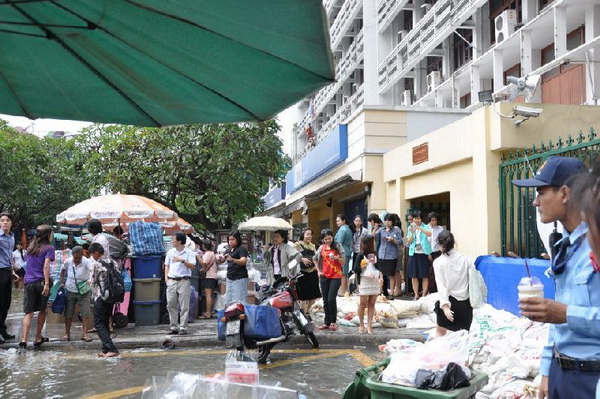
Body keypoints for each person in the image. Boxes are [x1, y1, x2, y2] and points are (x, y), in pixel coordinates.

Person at [512, 156, 599, 399]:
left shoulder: (596, 246)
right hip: (562, 374)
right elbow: (557, 317)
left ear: (564, 193)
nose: (535, 201)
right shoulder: (566, 246)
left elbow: (561, 312)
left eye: (540, 192)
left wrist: (565, 314)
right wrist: (547, 369)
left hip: (592, 379)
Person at [20, 224, 54, 349]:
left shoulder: (30, 248)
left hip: (28, 282)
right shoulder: (49, 248)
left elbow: (27, 266)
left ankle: (23, 340)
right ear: (48, 234)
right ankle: (38, 337)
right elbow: (46, 266)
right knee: (42, 310)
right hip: (40, 282)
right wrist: (46, 283)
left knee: (28, 312)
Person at [432, 231, 472, 337]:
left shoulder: (438, 262)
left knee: (440, 333)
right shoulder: (465, 259)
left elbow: (441, 286)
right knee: (464, 337)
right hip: (465, 304)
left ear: (440, 245)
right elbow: (473, 280)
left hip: (449, 303)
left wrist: (445, 307)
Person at [89, 243, 120, 358]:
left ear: (96, 252)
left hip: (100, 296)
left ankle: (112, 348)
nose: (92, 256)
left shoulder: (96, 264)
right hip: (111, 296)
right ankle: (105, 349)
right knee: (105, 321)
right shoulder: (113, 262)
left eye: (92, 254)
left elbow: (91, 280)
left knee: (98, 323)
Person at [164, 232, 197, 335]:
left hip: (184, 280)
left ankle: (183, 327)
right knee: (171, 304)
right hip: (172, 281)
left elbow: (193, 266)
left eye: (173, 239)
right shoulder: (170, 252)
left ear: (179, 241)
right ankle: (173, 326)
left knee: (184, 305)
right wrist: (166, 278)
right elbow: (166, 265)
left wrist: (182, 260)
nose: (172, 241)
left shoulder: (189, 253)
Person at [59, 246, 94, 342]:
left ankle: (84, 333)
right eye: (75, 257)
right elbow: (62, 271)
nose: (77, 259)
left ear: (82, 254)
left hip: (84, 290)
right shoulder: (68, 261)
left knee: (85, 312)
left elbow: (92, 271)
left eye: (79, 257)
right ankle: (67, 333)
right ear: (72, 255)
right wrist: (61, 282)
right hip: (70, 289)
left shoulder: (87, 261)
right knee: (68, 312)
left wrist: (90, 279)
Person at [314, 229, 345, 331]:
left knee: (331, 299)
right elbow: (315, 258)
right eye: (326, 239)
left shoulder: (338, 246)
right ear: (323, 239)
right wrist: (318, 271)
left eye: (329, 238)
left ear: (333, 237)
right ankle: (326, 323)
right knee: (325, 300)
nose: (328, 240)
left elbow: (344, 261)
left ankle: (333, 322)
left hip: (336, 276)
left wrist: (337, 258)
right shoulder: (321, 248)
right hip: (324, 276)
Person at [354, 235, 382, 334]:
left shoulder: (375, 254)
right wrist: (363, 264)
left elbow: (379, 267)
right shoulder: (360, 255)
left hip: (374, 279)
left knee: (372, 303)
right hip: (364, 280)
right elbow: (355, 269)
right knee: (362, 304)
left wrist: (381, 277)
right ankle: (361, 324)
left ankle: (369, 325)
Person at [374, 213, 403, 299]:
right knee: (381, 274)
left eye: (389, 221)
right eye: (386, 220)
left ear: (393, 222)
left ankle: (392, 293)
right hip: (382, 254)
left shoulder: (396, 230)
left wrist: (393, 240)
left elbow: (401, 242)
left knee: (391, 274)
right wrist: (375, 229)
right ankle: (380, 292)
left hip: (392, 255)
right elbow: (374, 237)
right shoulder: (381, 230)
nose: (387, 222)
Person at [294, 228, 321, 318]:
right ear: (303, 235)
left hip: (312, 272)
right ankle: (303, 314)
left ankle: (307, 311)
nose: (309, 236)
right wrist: (301, 259)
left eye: (310, 234)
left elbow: (316, 257)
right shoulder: (298, 245)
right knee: (303, 296)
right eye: (307, 234)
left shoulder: (313, 246)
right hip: (302, 273)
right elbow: (293, 256)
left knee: (314, 295)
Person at [405, 211, 432, 300]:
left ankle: (424, 294)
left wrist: (419, 228)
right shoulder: (410, 227)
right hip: (413, 253)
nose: (417, 220)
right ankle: (416, 294)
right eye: (415, 218)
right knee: (414, 275)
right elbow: (408, 241)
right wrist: (412, 233)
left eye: (418, 218)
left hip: (423, 253)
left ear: (421, 219)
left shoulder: (426, 226)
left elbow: (430, 234)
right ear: (412, 219)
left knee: (424, 275)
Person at [0, 212, 18, 344]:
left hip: (7, 271)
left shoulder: (11, 237)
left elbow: (8, 256)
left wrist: (12, 270)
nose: (5, 222)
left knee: (6, 303)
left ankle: (2, 330)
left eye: (7, 220)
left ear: (11, 223)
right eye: (2, 220)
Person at [224, 231, 249, 305]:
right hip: (230, 277)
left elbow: (243, 261)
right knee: (229, 300)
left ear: (237, 239)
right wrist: (220, 259)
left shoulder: (241, 249)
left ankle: (240, 316)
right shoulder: (228, 250)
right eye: (229, 240)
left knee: (239, 301)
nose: (230, 241)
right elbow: (223, 259)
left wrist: (233, 259)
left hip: (239, 278)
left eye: (233, 239)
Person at [197, 241, 217, 319]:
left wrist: (198, 256)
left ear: (204, 246)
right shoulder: (213, 253)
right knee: (211, 295)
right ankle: (210, 312)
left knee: (208, 295)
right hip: (213, 276)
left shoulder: (208, 254)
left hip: (209, 276)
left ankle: (208, 313)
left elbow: (204, 263)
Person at [335, 214, 353, 296]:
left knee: (343, 273)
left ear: (343, 221)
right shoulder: (348, 228)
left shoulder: (342, 229)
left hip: (342, 252)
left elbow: (339, 243)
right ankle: (344, 290)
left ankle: (343, 291)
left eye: (338, 220)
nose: (337, 222)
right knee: (344, 272)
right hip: (347, 251)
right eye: (336, 221)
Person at [427, 212, 444, 294]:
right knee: (430, 271)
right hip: (429, 252)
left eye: (435, 220)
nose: (434, 222)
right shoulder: (426, 228)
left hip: (438, 252)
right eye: (432, 220)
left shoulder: (440, 229)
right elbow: (425, 242)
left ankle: (437, 289)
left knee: (437, 271)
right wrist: (428, 253)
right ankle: (430, 289)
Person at [351, 215, 369, 288]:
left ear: (361, 222)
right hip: (354, 251)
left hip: (362, 252)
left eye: (359, 221)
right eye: (356, 221)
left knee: (362, 268)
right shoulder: (352, 230)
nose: (358, 222)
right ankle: (355, 286)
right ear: (354, 221)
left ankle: (362, 285)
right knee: (355, 269)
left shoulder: (365, 231)